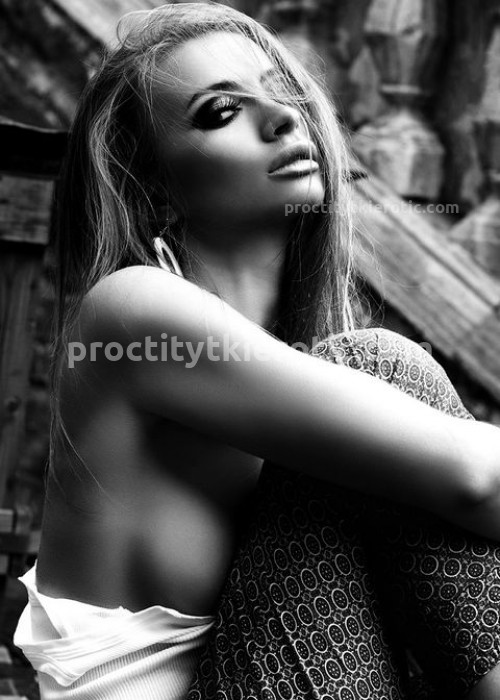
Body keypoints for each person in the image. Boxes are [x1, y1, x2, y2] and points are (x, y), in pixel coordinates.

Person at [13, 3, 500, 699]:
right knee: (383, 366)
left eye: (285, 93)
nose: (283, 119)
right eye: (220, 112)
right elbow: (477, 478)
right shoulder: (129, 315)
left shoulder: (300, 369)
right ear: (153, 185)